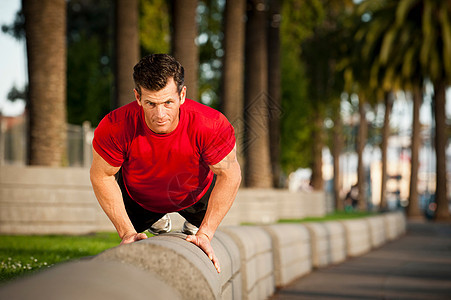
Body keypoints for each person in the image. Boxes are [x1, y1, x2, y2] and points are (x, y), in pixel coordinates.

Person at [90, 54, 241, 273]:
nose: (160, 114)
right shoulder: (115, 126)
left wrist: (205, 234)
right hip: (140, 198)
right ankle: (157, 219)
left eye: (168, 102)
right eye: (151, 103)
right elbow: (101, 175)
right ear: (138, 97)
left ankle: (193, 223)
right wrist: (126, 232)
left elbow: (231, 175)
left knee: (199, 224)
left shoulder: (210, 124)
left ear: (182, 95)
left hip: (196, 196)